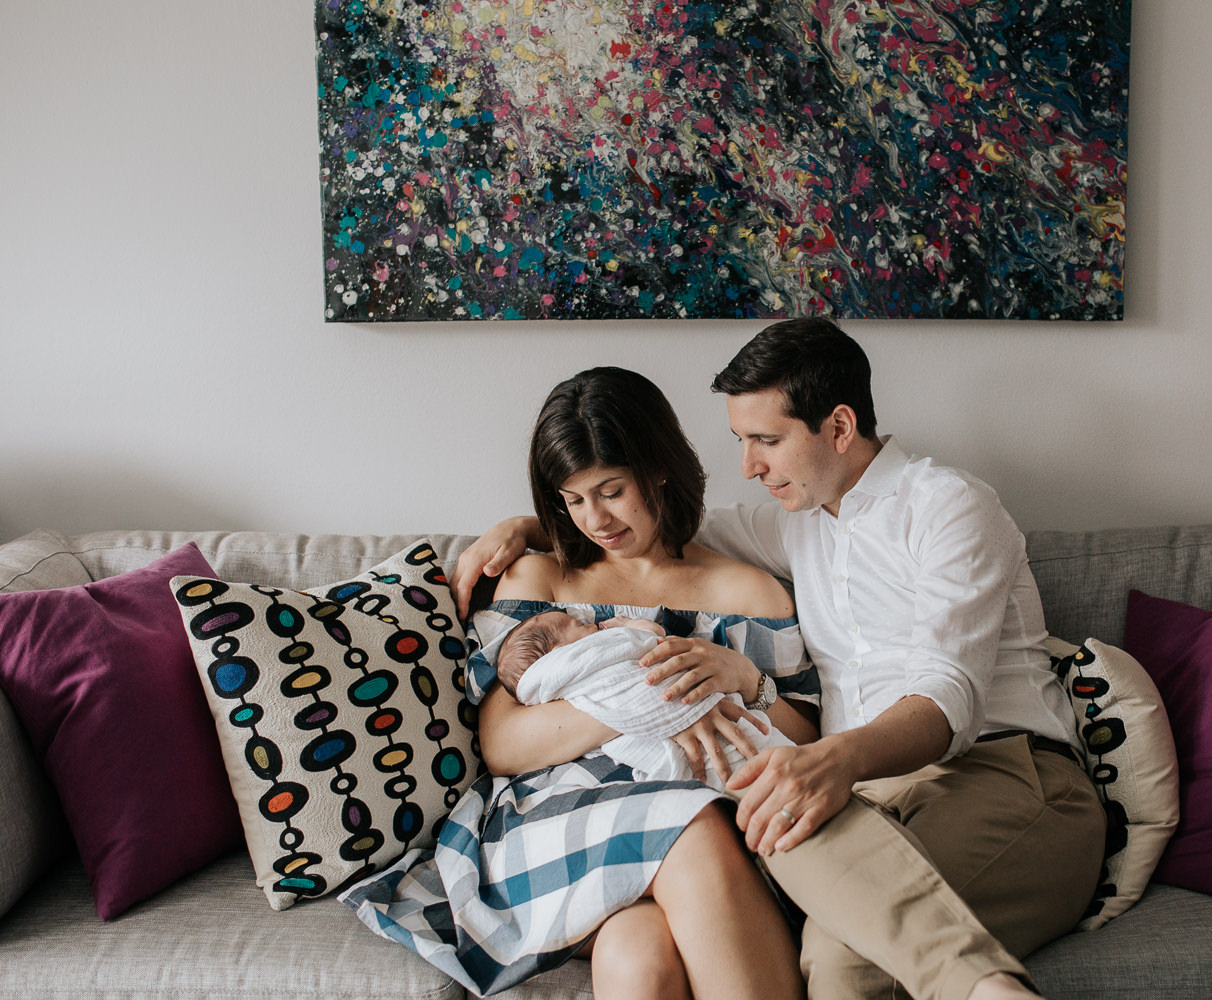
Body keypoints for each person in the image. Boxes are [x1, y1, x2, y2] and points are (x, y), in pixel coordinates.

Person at [452, 323, 1108, 1000]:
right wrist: (528, 527)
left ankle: (991, 991)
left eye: (765, 440)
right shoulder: (793, 522)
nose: (749, 466)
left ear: (840, 426)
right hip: (867, 799)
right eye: (742, 442)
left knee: (849, 967)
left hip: (1003, 773)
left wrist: (831, 755)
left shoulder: (948, 505)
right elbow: (650, 534)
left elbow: (949, 699)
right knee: (814, 924)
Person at [494, 611, 794, 790]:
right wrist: (631, 625)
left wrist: (747, 676)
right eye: (579, 622)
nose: (593, 624)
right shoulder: (584, 659)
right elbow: (648, 641)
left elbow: (809, 735)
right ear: (561, 650)